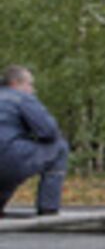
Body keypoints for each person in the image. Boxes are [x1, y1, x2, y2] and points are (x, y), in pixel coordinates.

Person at [0, 65, 69, 218]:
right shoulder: (21, 98)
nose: (33, 90)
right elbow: (49, 131)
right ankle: (48, 208)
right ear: (16, 83)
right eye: (30, 84)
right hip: (7, 157)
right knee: (59, 148)